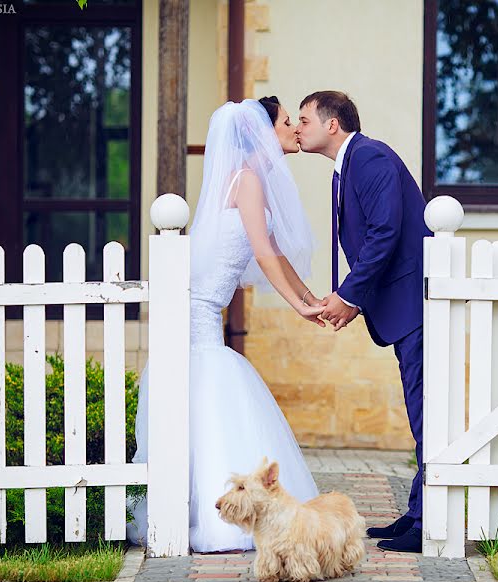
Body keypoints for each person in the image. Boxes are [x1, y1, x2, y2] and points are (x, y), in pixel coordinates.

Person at [128, 97, 322, 553]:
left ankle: (195, 509)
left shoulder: (242, 181)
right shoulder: (248, 180)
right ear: (261, 132)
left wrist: (312, 300)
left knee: (201, 407)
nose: (294, 128)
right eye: (286, 122)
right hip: (199, 319)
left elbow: (275, 250)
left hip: (200, 314)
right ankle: (219, 518)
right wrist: (299, 307)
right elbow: (262, 253)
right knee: (214, 403)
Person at [296, 91, 431, 553]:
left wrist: (349, 297)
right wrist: (351, 299)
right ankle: (418, 511)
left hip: (414, 301)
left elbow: (384, 233)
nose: (298, 128)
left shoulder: (369, 156)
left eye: (305, 119)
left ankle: (427, 523)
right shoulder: (349, 165)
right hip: (399, 303)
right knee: (421, 408)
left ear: (333, 125)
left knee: (425, 408)